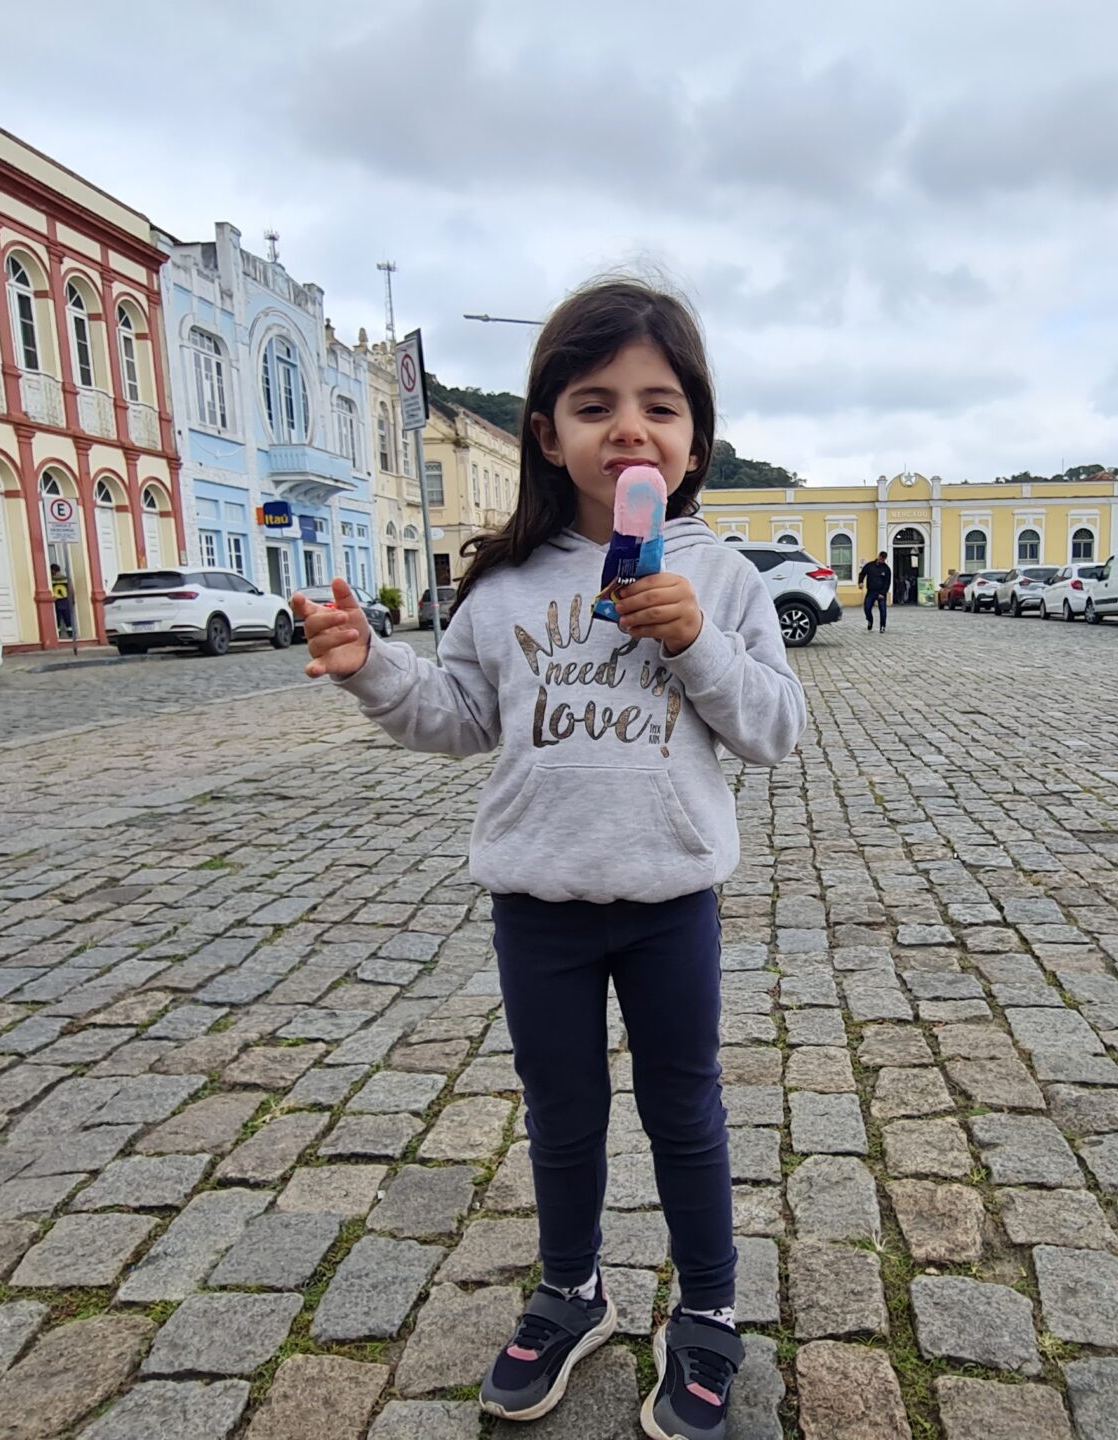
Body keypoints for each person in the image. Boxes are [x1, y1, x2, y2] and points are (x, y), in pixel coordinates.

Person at [292, 278, 804, 1440]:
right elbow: (457, 716)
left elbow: (774, 728)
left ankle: (710, 1311)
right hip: (538, 901)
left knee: (686, 1111)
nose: (629, 427)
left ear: (692, 438)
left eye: (659, 406)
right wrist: (371, 661)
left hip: (671, 897)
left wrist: (697, 642)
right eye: (594, 402)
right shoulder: (506, 582)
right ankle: (573, 1289)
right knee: (561, 1112)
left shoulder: (722, 578)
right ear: (546, 432)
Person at [857, 550, 893, 631]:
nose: (882, 561)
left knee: (883, 610)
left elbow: (887, 582)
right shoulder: (869, 566)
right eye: (881, 559)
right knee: (867, 608)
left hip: (881, 592)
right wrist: (860, 582)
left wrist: (883, 593)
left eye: (883, 560)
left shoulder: (886, 569)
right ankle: (870, 620)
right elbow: (862, 574)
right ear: (878, 556)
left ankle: (882, 626)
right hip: (871, 591)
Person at [50, 565, 73, 639]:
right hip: (65, 601)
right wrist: (72, 599)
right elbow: (71, 589)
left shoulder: (51, 580)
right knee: (68, 620)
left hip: (56, 602)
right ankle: (71, 636)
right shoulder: (66, 579)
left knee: (57, 620)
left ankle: (58, 636)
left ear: (53, 571)